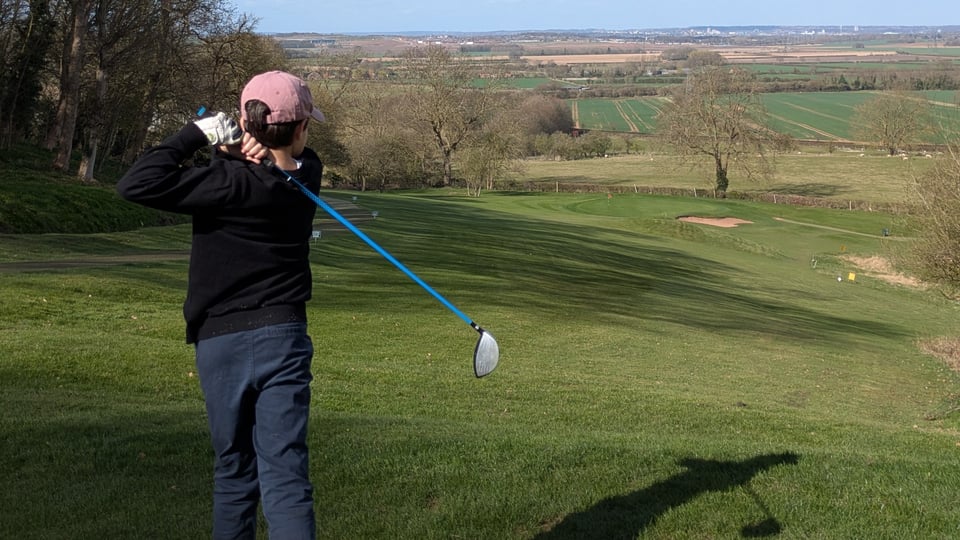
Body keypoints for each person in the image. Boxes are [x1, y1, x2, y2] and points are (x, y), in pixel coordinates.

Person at [117, 70, 326, 539]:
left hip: (220, 341)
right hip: (284, 338)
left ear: (244, 124)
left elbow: (137, 183)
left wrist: (199, 134)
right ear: (298, 130)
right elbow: (287, 162)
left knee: (234, 474)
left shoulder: (220, 182)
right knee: (286, 477)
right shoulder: (308, 175)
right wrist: (238, 151)